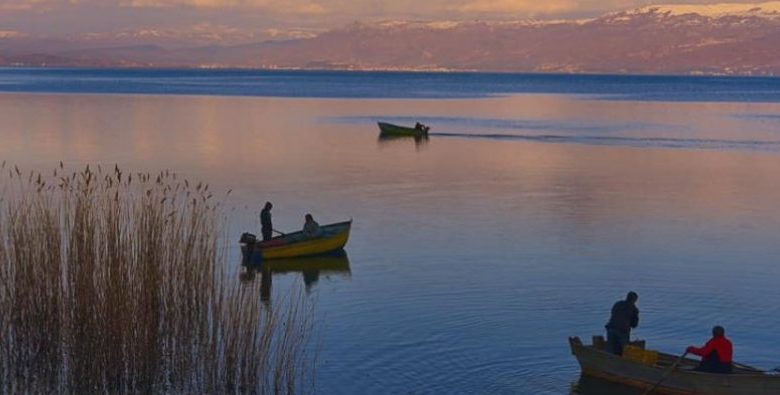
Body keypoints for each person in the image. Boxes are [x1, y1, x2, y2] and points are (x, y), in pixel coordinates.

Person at [604, 291, 639, 355]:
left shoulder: (618, 304)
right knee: (625, 351)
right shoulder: (634, 309)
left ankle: (609, 360)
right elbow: (634, 325)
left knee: (610, 349)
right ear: (634, 300)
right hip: (622, 331)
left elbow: (613, 313)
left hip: (611, 328)